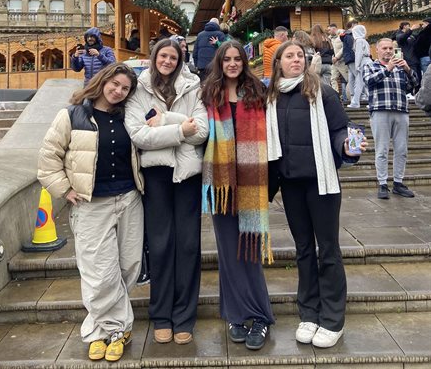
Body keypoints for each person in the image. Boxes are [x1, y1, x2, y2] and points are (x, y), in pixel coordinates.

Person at [37, 63, 144, 363]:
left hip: (128, 199)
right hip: (90, 204)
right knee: (99, 272)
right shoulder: (72, 115)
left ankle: (98, 325)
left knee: (128, 266)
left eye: (125, 89)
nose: (118, 91)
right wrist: (65, 190)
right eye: (115, 84)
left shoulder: (128, 117)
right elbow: (48, 159)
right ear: (103, 80)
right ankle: (114, 330)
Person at [266, 41, 365, 348]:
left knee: (329, 250)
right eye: (289, 56)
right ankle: (309, 313)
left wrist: (347, 146)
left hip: (322, 184)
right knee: (304, 250)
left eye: (300, 55)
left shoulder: (322, 91)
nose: (296, 59)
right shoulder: (271, 97)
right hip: (291, 184)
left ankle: (333, 319)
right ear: (278, 62)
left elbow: (340, 128)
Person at [125, 39, 208, 345]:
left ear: (180, 60)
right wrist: (180, 130)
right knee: (159, 245)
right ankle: (161, 314)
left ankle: (184, 316)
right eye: (163, 55)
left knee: (187, 246)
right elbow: (139, 135)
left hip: (187, 176)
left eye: (174, 57)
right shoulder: (139, 88)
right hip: (156, 175)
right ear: (154, 57)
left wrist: (166, 122)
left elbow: (201, 131)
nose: (168, 61)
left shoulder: (193, 86)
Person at [201, 41, 274, 351]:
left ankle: (259, 316)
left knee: (250, 253)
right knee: (230, 253)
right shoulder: (208, 94)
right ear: (220, 63)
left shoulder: (258, 93)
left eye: (237, 59)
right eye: (227, 59)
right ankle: (235, 315)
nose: (232, 64)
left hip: (250, 183)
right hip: (221, 185)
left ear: (245, 61)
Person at [363, 38, 418, 200]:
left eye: (391, 48)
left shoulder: (401, 67)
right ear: (377, 50)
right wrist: (388, 68)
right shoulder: (370, 65)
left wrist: (408, 69)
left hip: (401, 110)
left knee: (402, 149)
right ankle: (382, 183)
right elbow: (369, 81)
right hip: (380, 110)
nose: (388, 51)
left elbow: (414, 84)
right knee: (382, 149)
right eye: (385, 48)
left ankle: (398, 183)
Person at [347, 25, 371, 108]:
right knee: (364, 83)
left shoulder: (359, 41)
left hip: (362, 62)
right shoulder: (364, 41)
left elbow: (358, 54)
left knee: (359, 83)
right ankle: (370, 101)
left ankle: (355, 102)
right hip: (367, 61)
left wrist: (357, 65)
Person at [395, 21, 421, 88]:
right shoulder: (399, 35)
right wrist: (411, 29)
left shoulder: (411, 35)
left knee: (419, 79)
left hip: (416, 60)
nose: (409, 28)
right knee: (414, 80)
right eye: (408, 26)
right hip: (409, 61)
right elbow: (402, 38)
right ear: (404, 26)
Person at [328, 24, 349, 103]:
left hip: (342, 62)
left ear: (334, 29)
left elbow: (344, 47)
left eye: (330, 30)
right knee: (332, 78)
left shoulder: (342, 34)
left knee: (348, 79)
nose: (329, 32)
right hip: (333, 63)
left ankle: (350, 96)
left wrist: (337, 57)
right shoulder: (329, 38)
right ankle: (336, 96)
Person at [340, 20, 358, 97]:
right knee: (357, 76)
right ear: (353, 25)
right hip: (352, 57)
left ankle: (352, 94)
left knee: (351, 77)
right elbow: (353, 48)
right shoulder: (351, 35)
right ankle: (360, 95)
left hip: (348, 58)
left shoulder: (345, 35)